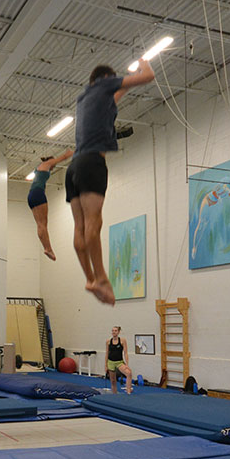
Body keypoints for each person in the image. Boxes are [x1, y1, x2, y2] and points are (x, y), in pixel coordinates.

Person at [67, 59, 155, 305]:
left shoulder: (85, 98)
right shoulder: (104, 84)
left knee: (80, 227)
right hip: (92, 163)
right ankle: (102, 278)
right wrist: (143, 63)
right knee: (94, 223)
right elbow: (148, 76)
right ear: (106, 79)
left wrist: (126, 83)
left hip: (73, 167)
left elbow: (116, 96)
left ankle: (89, 278)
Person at [27, 150, 74, 261]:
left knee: (40, 224)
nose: (54, 167)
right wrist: (69, 154)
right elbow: (62, 157)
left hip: (31, 196)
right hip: (38, 193)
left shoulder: (39, 168)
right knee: (43, 224)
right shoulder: (47, 164)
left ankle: (47, 248)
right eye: (54, 165)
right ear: (51, 161)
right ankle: (48, 248)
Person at [191, 181, 230, 259]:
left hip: (214, 204)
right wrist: (223, 191)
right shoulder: (226, 180)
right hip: (207, 201)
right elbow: (215, 189)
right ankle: (194, 248)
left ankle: (196, 247)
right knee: (200, 224)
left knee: (205, 226)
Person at [106, 326, 135, 394]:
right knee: (113, 380)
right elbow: (107, 353)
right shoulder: (108, 341)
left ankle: (128, 392)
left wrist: (127, 364)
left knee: (129, 373)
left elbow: (125, 353)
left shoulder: (122, 340)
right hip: (110, 362)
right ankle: (115, 394)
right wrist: (105, 365)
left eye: (115, 330)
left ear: (118, 332)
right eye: (112, 330)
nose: (114, 332)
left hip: (119, 362)